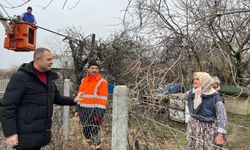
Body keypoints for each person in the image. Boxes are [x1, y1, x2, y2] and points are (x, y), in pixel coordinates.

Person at [0, 48, 77, 150]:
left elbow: (57, 98)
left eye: (52, 59)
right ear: (37, 60)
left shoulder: (49, 78)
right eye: (48, 59)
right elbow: (8, 106)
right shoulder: (21, 77)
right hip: (25, 136)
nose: (51, 62)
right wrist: (10, 133)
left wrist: (74, 100)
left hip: (41, 134)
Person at [185, 72, 227, 150]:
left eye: (197, 79)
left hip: (208, 130)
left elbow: (222, 117)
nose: (194, 81)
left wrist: (220, 135)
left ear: (205, 81)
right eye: (194, 79)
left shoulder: (215, 97)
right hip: (194, 126)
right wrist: (196, 94)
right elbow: (185, 98)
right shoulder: (193, 93)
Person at [75, 59, 108, 150]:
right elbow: (79, 95)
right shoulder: (83, 80)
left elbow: (103, 99)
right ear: (88, 70)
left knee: (94, 133)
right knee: (86, 132)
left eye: (96, 68)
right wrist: (77, 109)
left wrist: (99, 115)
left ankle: (97, 148)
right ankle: (91, 147)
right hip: (83, 111)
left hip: (95, 111)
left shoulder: (102, 82)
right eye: (92, 68)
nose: (94, 70)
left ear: (98, 70)